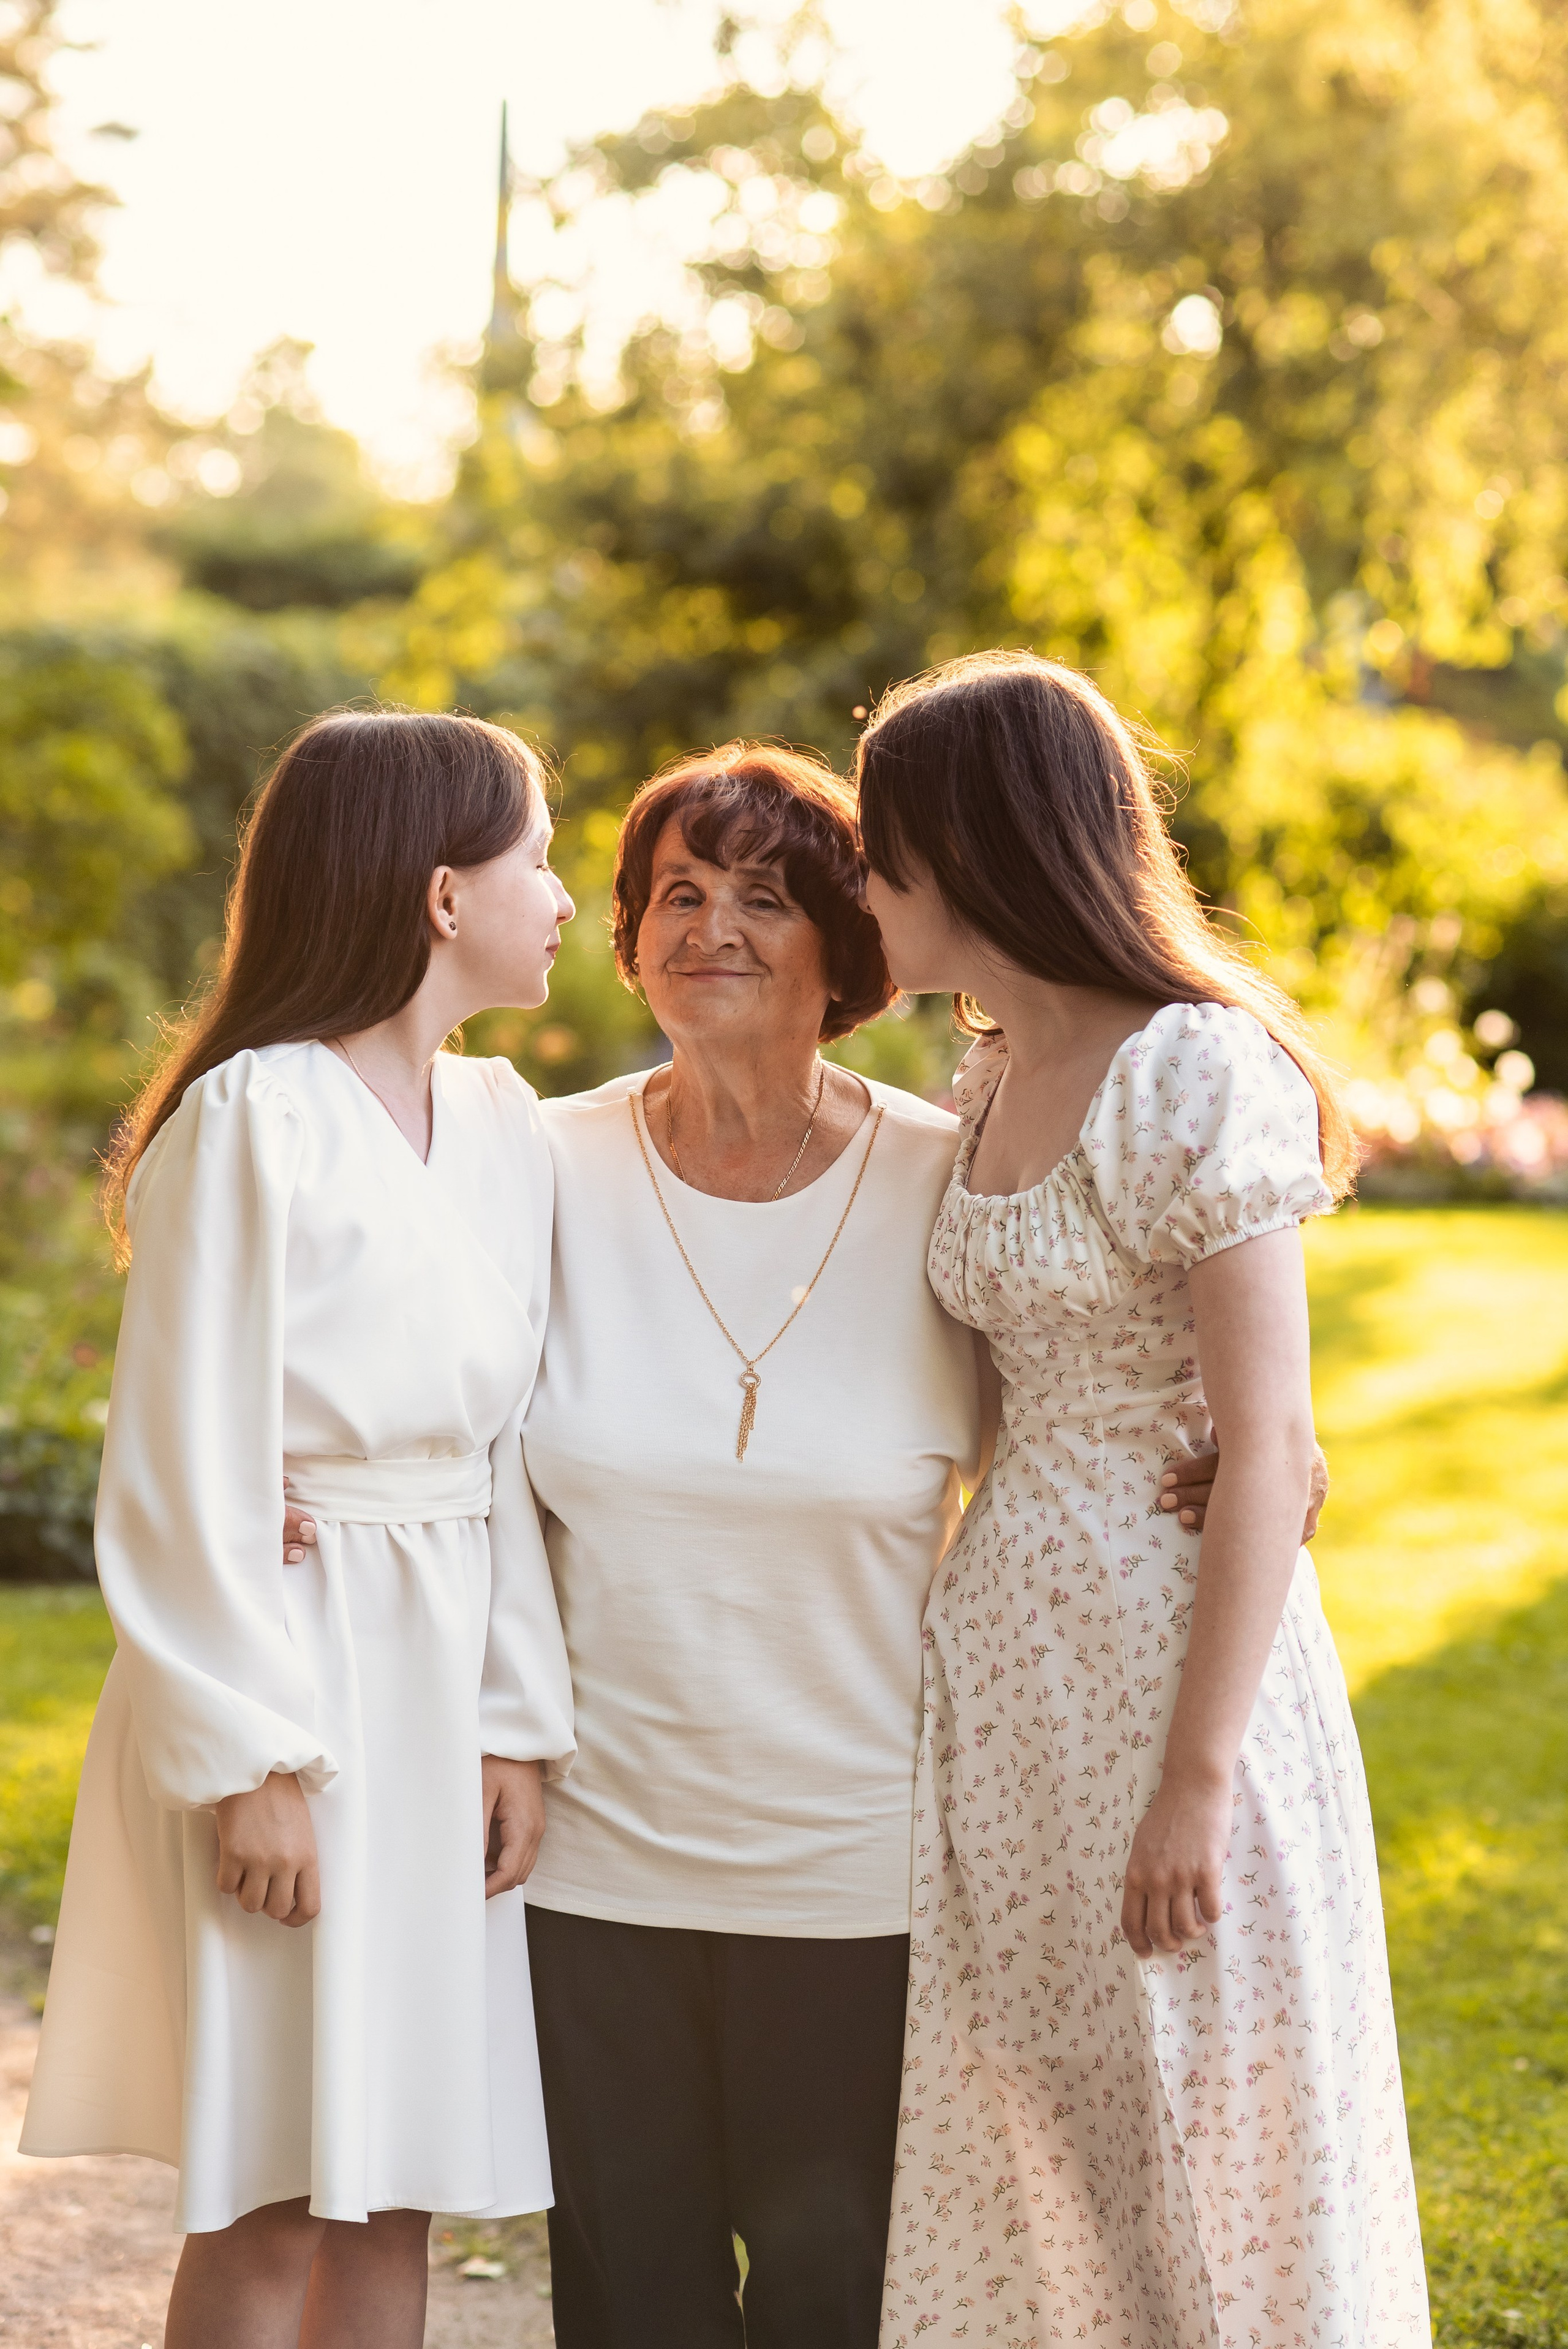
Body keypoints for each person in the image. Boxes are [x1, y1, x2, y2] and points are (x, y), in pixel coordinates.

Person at [857, 652, 1429, 2349]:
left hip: (1179, 1668)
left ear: (976, 848)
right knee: (1058, 2123)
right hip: (1017, 1676)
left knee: (1227, 2119)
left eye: (885, 854)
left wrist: (1197, 1779)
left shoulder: (1192, 1071)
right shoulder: (981, 1085)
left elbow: (1266, 1442)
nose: (866, 890)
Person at [22, 709, 578, 2349]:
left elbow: (511, 1463)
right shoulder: (251, 1118)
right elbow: (183, 1455)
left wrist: (512, 1724)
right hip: (288, 1686)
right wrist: (249, 1758)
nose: (559, 897)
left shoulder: (503, 1130)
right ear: (436, 894)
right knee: (268, 2187)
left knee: (394, 2181)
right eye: (537, 857)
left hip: (434, 1691)